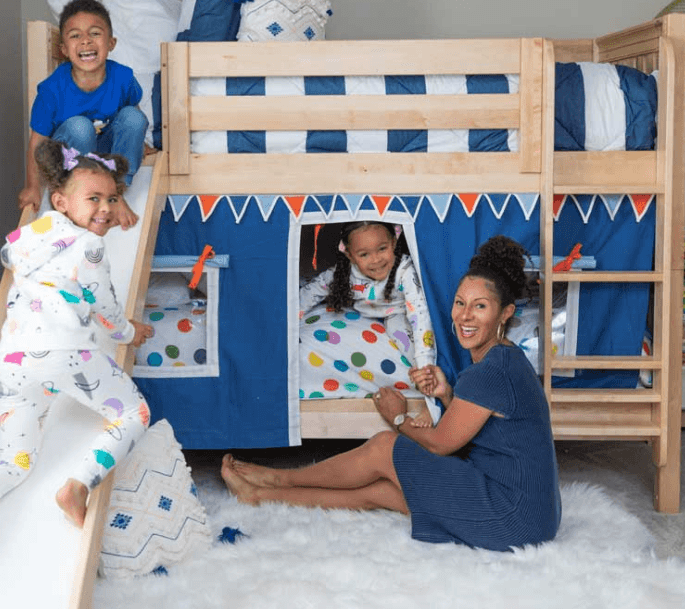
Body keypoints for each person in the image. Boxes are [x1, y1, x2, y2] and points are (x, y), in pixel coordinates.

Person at [222, 235, 562, 552]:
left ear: (506, 313)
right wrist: (446, 396)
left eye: (480, 306)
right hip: (535, 518)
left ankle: (280, 478)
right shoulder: (505, 358)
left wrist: (397, 417)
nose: (464, 316)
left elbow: (443, 443)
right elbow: (488, 428)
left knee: (387, 448)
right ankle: (261, 495)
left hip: (511, 517)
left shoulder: (490, 370)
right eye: (460, 303)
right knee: (383, 491)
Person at [0, 140, 155, 575]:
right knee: (134, 412)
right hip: (66, 352)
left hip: (14, 360)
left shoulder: (32, 235)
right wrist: (131, 332)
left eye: (112, 198)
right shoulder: (90, 248)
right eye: (93, 199)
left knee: (15, 461)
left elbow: (7, 253)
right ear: (61, 201)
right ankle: (78, 484)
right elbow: (105, 307)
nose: (106, 209)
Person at [19, 0, 147, 231]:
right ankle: (82, 190)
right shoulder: (51, 90)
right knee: (80, 127)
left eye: (95, 33)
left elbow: (132, 117)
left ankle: (115, 192)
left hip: (104, 156)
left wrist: (139, 144)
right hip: (70, 157)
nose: (86, 41)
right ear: (64, 49)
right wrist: (32, 187)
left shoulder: (123, 78)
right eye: (75, 35)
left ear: (111, 43)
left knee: (135, 118)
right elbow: (37, 143)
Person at [298, 221, 436, 415]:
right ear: (349, 254)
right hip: (361, 314)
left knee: (411, 351)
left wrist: (425, 365)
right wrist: (287, 322)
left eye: (382, 249)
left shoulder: (405, 270)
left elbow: (419, 315)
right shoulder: (343, 273)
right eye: (364, 254)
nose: (376, 259)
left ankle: (432, 399)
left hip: (397, 313)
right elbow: (311, 293)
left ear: (394, 242)